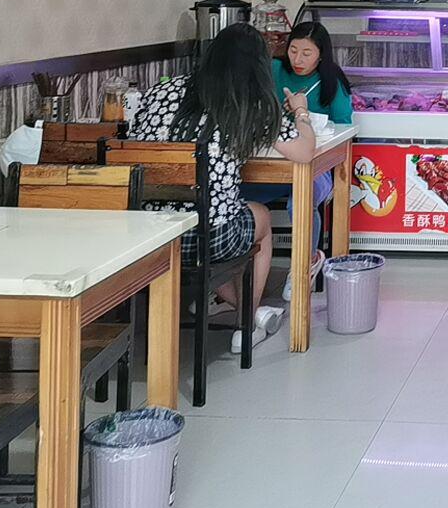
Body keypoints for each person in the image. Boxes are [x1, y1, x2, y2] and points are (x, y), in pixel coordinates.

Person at [130, 23, 315, 352]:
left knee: (226, 216)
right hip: (207, 237)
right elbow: (304, 151)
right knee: (259, 218)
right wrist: (301, 112)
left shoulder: (162, 90)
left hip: (146, 235)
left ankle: (238, 307)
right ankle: (247, 323)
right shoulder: (250, 102)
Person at [244, 20, 353, 299]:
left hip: (317, 164)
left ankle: (305, 264)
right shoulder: (274, 69)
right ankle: (233, 272)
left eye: (307, 53)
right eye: (293, 50)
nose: (298, 59)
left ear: (321, 55)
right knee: (234, 192)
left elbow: (344, 125)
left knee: (301, 199)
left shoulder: (332, 81)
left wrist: (304, 115)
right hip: (272, 163)